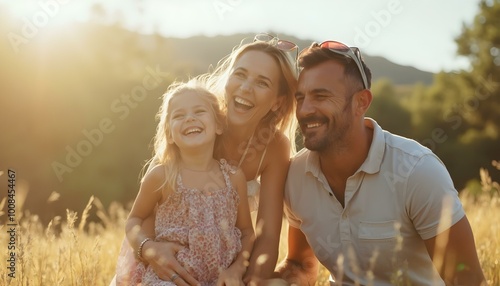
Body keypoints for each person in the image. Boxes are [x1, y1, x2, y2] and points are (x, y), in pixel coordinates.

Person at [276, 41, 486, 285]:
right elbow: (301, 265)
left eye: (320, 96)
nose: (305, 109)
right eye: (300, 98)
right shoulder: (295, 176)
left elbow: (467, 278)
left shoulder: (418, 171)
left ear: (361, 102)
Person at [113, 34, 299, 285]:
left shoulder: (275, 147)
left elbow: (265, 236)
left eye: (262, 83)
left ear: (278, 102)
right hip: (164, 255)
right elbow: (147, 211)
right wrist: (150, 251)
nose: (245, 88)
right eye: (240, 74)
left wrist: (247, 278)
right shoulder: (198, 119)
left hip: (222, 264)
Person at [122, 79, 254, 285]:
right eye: (179, 115)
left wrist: (237, 269)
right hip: (170, 278)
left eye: (199, 112)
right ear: (170, 134)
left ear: (218, 125)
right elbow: (134, 220)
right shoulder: (162, 176)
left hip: (222, 280)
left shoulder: (234, 177)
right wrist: (148, 248)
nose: (190, 119)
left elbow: (246, 232)